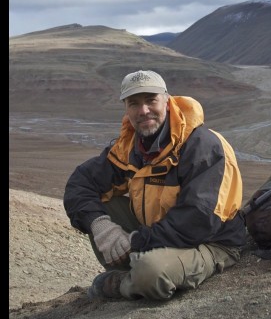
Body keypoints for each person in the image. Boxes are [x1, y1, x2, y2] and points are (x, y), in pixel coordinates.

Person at [63, 69, 247, 301]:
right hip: (160, 235)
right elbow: (80, 183)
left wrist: (136, 242)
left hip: (211, 242)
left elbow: (199, 219)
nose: (143, 111)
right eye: (134, 103)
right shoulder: (130, 147)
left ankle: (122, 282)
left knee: (151, 273)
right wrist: (101, 226)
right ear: (126, 109)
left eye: (151, 100)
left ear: (168, 102)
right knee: (99, 204)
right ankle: (139, 267)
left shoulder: (202, 146)